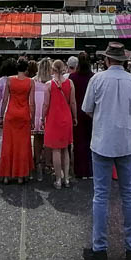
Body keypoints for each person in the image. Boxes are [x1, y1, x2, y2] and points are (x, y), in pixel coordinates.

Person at [81, 42, 131, 260]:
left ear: (107, 60)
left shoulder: (96, 80)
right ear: (124, 60)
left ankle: (100, 249)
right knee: (129, 195)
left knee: (101, 195)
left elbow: (87, 109)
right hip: (126, 143)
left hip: (101, 142)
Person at [0, 57, 35, 184]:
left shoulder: (9, 80)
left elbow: (4, 100)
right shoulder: (30, 82)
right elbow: (32, 103)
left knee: (8, 144)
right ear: (26, 69)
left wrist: (1, 116)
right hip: (24, 115)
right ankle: (21, 175)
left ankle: (6, 175)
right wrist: (33, 118)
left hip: (11, 114)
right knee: (22, 145)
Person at [44, 59, 77, 189]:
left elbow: (46, 104)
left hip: (53, 118)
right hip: (66, 118)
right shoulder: (70, 83)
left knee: (55, 149)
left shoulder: (49, 84)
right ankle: (67, 179)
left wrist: (42, 117)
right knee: (66, 148)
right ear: (64, 68)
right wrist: (75, 116)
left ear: (53, 69)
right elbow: (73, 102)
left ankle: (58, 179)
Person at [70, 52, 94, 179]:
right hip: (91, 113)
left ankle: (80, 171)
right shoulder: (93, 77)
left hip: (77, 112)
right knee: (91, 141)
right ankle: (90, 170)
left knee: (79, 142)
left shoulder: (72, 77)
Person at [32, 57, 52, 179]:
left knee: (37, 138)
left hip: (36, 112)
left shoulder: (33, 81)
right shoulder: (52, 82)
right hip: (47, 111)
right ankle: (47, 162)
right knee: (48, 139)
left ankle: (37, 161)